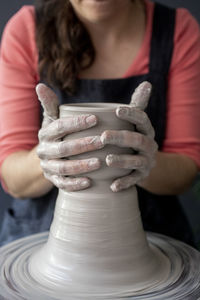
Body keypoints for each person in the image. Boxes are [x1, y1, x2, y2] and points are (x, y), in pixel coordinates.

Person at [0, 0, 200, 247]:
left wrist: (145, 160)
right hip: (45, 234)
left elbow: (186, 171)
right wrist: (48, 159)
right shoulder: (26, 29)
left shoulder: (176, 30)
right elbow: (12, 177)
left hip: (146, 234)